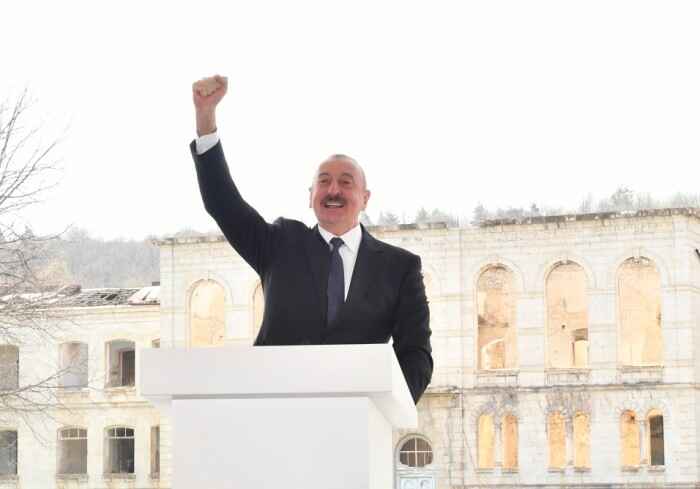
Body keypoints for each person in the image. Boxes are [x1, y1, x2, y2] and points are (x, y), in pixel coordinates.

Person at [190, 75, 433, 404]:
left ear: (365, 198)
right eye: (324, 181)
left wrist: (388, 408)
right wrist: (205, 118)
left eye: (346, 182)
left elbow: (416, 354)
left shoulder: (399, 268)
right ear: (310, 196)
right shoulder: (279, 244)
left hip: (356, 419)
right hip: (272, 411)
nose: (333, 190)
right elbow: (223, 203)